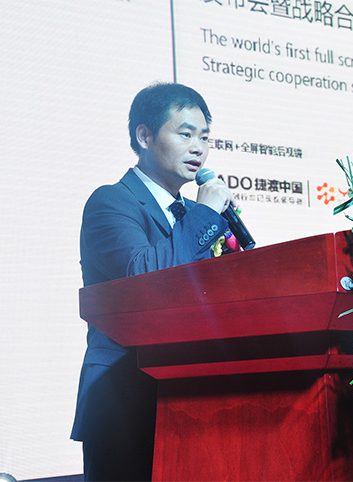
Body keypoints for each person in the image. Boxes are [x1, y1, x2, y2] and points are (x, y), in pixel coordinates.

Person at [71, 83, 235, 481]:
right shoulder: (111, 202)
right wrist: (206, 216)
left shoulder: (194, 212)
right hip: (125, 399)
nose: (198, 148)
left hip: (192, 397)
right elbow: (145, 278)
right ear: (144, 136)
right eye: (185, 134)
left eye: (204, 137)